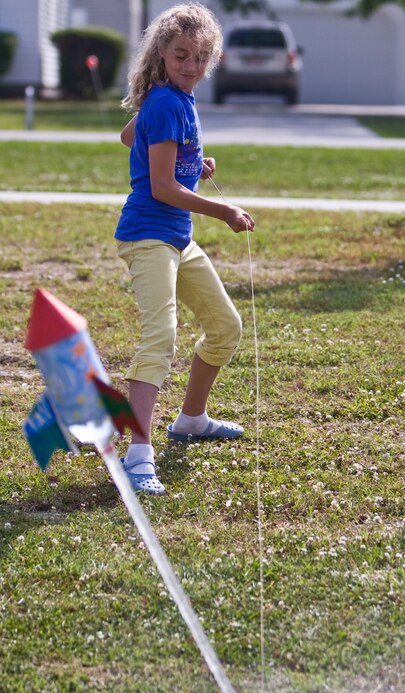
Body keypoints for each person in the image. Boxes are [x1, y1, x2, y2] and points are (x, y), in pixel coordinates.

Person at [115, 3, 255, 496]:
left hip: (177, 237)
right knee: (160, 338)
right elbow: (160, 187)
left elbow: (129, 134)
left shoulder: (171, 98)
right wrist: (225, 211)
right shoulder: (169, 102)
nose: (191, 65)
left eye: (200, 57)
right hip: (149, 234)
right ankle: (136, 455)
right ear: (163, 54)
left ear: (211, 59)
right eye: (181, 56)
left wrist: (192, 161)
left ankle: (191, 419)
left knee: (225, 326)